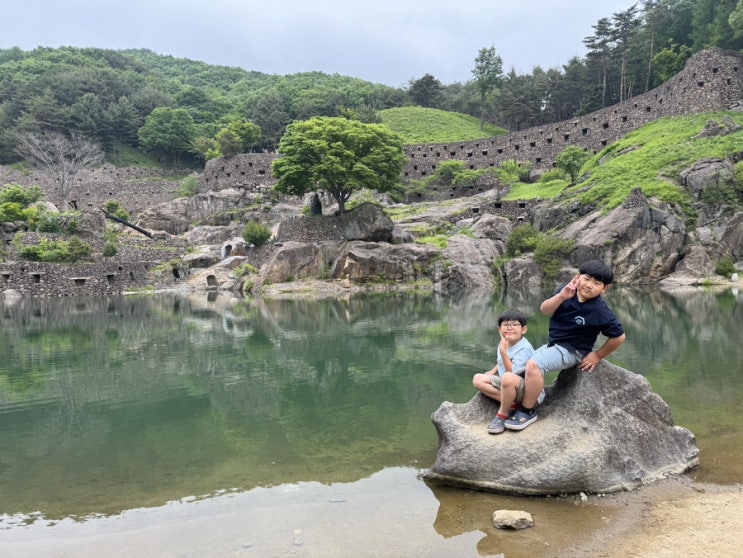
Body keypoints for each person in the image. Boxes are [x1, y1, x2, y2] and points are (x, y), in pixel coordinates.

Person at [504, 260, 626, 432]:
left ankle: (527, 411)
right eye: (587, 279)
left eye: (596, 283)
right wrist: (562, 296)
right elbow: (545, 310)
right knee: (521, 368)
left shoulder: (600, 311)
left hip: (573, 350)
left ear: (604, 289)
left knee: (534, 365)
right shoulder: (566, 291)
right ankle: (534, 395)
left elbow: (619, 337)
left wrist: (597, 355)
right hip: (554, 344)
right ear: (578, 277)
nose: (589, 285)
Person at [472, 309, 540, 435]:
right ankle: (512, 404)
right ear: (499, 329)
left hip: (526, 391)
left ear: (523, 329)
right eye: (506, 325)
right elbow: (501, 362)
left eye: (515, 325)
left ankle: (502, 414)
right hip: (508, 384)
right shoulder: (505, 342)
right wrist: (492, 371)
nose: (510, 328)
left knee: (507, 377)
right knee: (477, 379)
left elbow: (512, 372)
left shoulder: (524, 348)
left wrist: (503, 351)